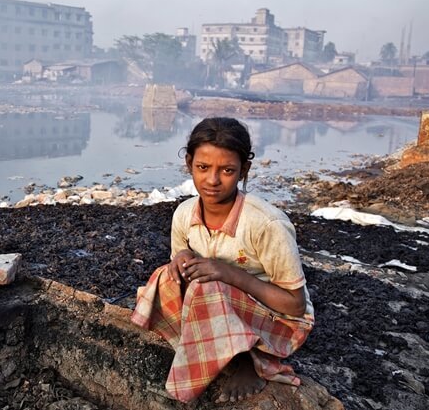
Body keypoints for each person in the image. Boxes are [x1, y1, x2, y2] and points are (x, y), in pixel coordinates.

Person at [131, 117, 314, 403]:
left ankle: (246, 361)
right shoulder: (184, 214)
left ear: (244, 170)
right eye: (203, 168)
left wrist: (228, 274)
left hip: (277, 320)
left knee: (209, 286)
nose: (212, 180)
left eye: (227, 170)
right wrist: (181, 258)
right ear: (189, 163)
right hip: (217, 306)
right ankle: (210, 347)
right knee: (166, 276)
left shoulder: (266, 224)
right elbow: (180, 265)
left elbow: (295, 304)